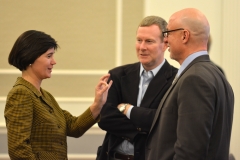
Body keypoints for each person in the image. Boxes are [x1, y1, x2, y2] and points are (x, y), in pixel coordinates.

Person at [4, 30, 112, 160]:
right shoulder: (21, 94)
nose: (54, 62)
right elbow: (18, 151)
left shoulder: (45, 96)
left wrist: (98, 103)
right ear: (30, 57)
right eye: (49, 56)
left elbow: (74, 127)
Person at [145, 8, 234, 160]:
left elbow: (190, 152)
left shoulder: (194, 79)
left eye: (168, 33)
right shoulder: (215, 74)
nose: (165, 40)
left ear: (185, 36)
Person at [96, 16, 178, 160]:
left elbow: (168, 122)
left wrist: (127, 110)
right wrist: (143, 129)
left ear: (165, 44)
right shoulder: (117, 75)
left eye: (149, 41)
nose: (142, 47)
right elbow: (105, 118)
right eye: (139, 40)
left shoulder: (176, 80)